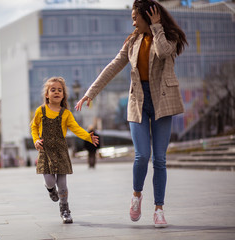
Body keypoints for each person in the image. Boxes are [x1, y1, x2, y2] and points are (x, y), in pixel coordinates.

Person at [75, 0, 187, 228]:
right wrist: (90, 93)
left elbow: (165, 52)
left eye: (136, 17)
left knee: (160, 159)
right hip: (138, 100)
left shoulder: (169, 36)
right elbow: (114, 65)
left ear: (149, 16)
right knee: (142, 155)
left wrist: (157, 28)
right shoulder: (133, 41)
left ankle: (158, 209)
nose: (133, 21)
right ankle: (137, 195)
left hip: (163, 100)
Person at [31, 76, 99, 224]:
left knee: (62, 183)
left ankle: (65, 209)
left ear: (63, 95)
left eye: (59, 90)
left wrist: (88, 137)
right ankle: (50, 190)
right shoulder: (40, 111)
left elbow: (75, 128)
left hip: (61, 151)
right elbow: (34, 127)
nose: (56, 92)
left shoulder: (66, 113)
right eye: (53, 89)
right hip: (45, 151)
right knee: (50, 181)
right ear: (47, 94)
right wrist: (36, 140)